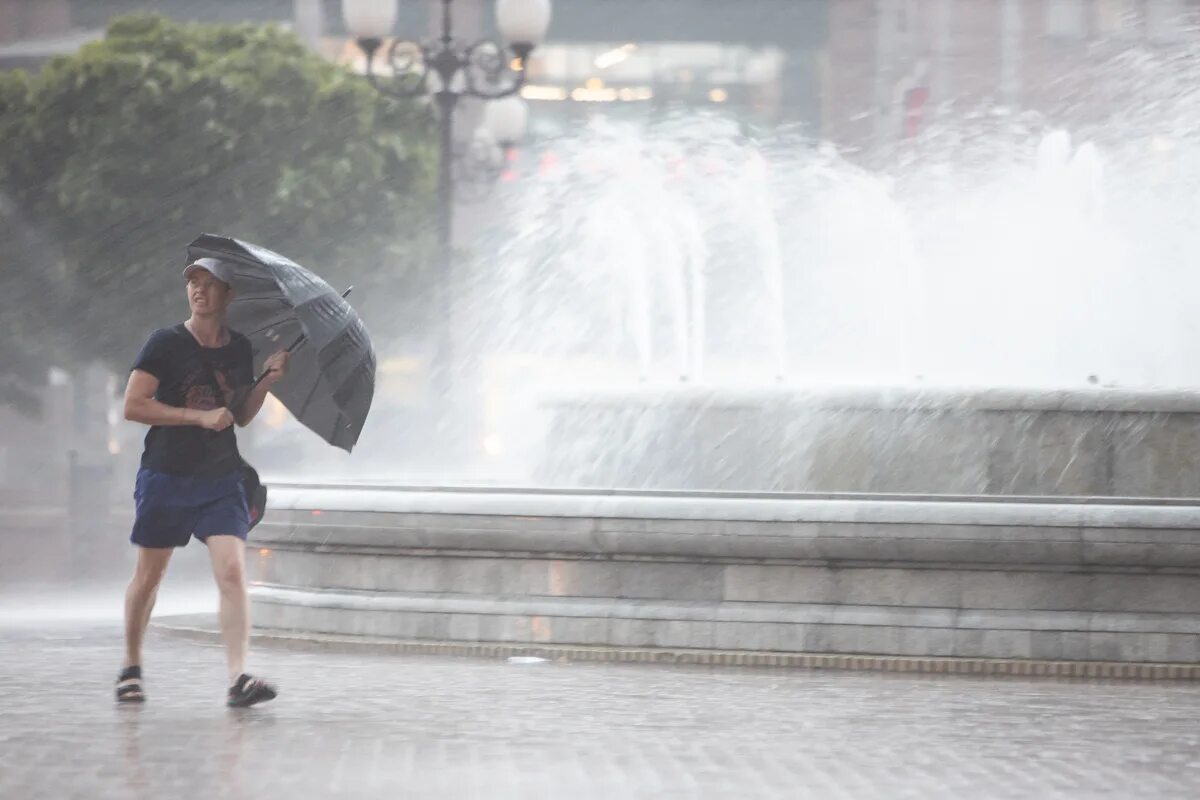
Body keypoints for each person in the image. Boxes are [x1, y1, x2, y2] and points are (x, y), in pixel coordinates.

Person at [116, 257, 290, 708]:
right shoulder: (166, 343)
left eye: (210, 284)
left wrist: (267, 381)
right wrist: (197, 416)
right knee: (149, 578)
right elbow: (134, 406)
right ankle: (131, 668)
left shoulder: (239, 349)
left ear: (228, 294)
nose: (198, 290)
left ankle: (238, 678)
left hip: (220, 477)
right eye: (193, 281)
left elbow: (240, 416)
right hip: (166, 476)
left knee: (232, 573)